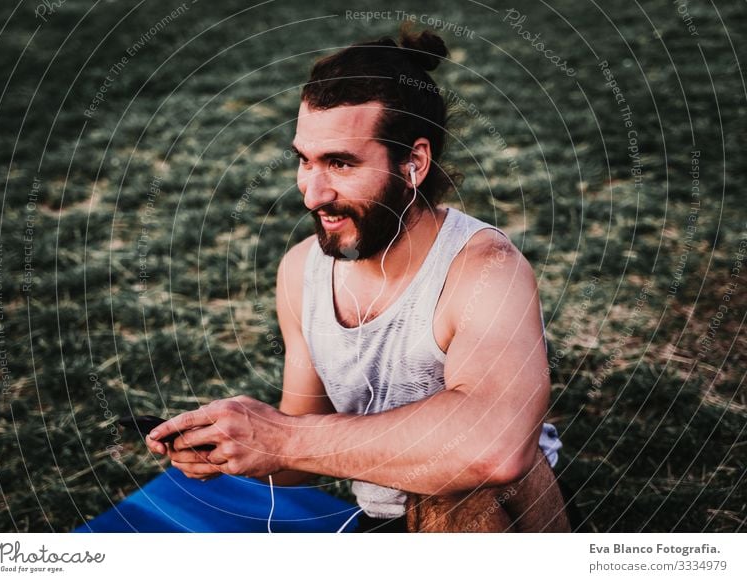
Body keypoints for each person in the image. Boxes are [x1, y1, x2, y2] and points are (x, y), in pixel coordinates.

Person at [146, 26, 570, 533]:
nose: (312, 194)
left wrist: (284, 436)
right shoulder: (302, 270)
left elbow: (490, 451)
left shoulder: (485, 270)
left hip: (499, 521)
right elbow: (295, 459)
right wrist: (228, 444)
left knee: (459, 490)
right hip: (385, 520)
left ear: (413, 162)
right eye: (304, 161)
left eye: (340, 163)